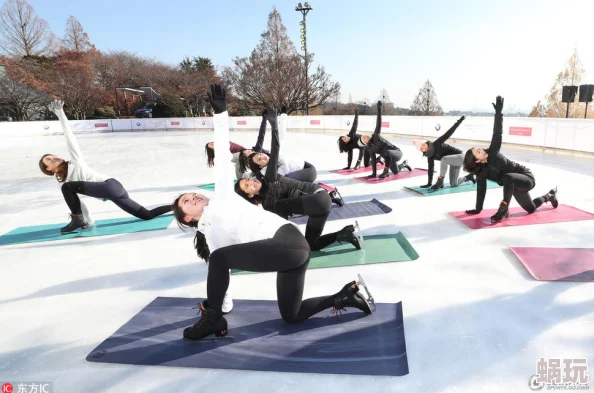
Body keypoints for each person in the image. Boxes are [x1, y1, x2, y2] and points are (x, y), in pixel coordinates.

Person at [172, 84, 373, 341]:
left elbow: (222, 155)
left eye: (192, 194)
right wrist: (224, 306)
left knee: (220, 258)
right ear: (187, 218)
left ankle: (212, 320)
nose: (194, 196)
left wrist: (220, 115)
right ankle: (346, 295)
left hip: (286, 240)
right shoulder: (212, 241)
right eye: (188, 201)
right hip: (290, 256)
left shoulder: (223, 196)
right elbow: (222, 275)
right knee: (292, 314)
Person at [39, 100, 172, 233]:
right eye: (49, 159)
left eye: (52, 155)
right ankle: (176, 206)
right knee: (146, 215)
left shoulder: (75, 161)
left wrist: (60, 113)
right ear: (48, 169)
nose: (54, 157)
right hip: (114, 194)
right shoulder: (62, 182)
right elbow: (78, 203)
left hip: (110, 185)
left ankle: (78, 219)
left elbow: (70, 136)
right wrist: (89, 220)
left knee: (67, 187)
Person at [235, 108, 358, 251]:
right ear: (249, 195)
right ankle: (344, 234)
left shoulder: (270, 178)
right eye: (247, 185)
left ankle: (288, 239)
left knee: (280, 207)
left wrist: (274, 125)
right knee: (311, 245)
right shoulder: (266, 204)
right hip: (318, 210)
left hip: (319, 197)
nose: (251, 182)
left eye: (248, 180)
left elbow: (275, 150)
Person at [462, 96, 558, 222]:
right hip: (512, 186)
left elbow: (497, 133)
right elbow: (481, 190)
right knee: (531, 208)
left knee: (507, 177)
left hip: (525, 177)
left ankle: (504, 209)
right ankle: (549, 195)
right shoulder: (480, 173)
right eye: (478, 152)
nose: (482, 149)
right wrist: (478, 209)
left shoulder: (493, 152)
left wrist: (498, 113)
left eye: (478, 148)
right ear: (477, 161)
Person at [245, 107, 317, 182]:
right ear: (260, 166)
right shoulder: (266, 170)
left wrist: (283, 115)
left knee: (283, 180)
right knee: (281, 180)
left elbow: (281, 136)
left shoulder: (275, 154)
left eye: (260, 154)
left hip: (308, 169)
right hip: (298, 171)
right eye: (259, 159)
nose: (262, 156)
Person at [412, 116, 475, 190]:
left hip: (460, 156)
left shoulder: (436, 144)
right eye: (421, 148)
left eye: (423, 145)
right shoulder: (429, 156)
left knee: (443, 159)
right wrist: (429, 183)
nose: (424, 147)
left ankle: (440, 180)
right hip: (452, 162)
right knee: (454, 184)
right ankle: (468, 177)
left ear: (425, 143)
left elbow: (448, 133)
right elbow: (430, 169)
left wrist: (459, 121)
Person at [359, 101, 411, 178]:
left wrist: (379, 109)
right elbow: (373, 161)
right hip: (388, 158)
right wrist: (374, 173)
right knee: (396, 171)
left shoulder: (376, 136)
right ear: (365, 143)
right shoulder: (370, 149)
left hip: (396, 152)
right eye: (364, 138)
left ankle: (386, 171)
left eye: (365, 136)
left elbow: (378, 123)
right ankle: (404, 164)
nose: (366, 136)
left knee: (387, 152)